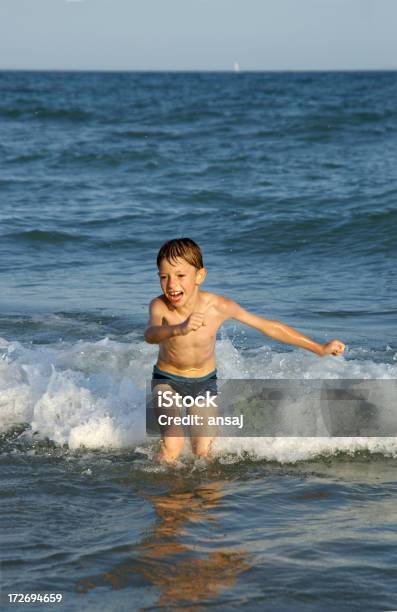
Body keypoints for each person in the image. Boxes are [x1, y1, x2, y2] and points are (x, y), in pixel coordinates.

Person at [145, 238, 345, 463]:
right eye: (164, 276)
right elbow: (151, 334)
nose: (171, 284)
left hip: (204, 383)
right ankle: (160, 486)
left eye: (180, 275)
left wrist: (318, 348)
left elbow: (269, 326)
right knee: (173, 445)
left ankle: (205, 495)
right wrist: (179, 329)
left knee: (203, 452)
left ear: (200, 276)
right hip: (166, 381)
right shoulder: (159, 306)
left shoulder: (218, 306)